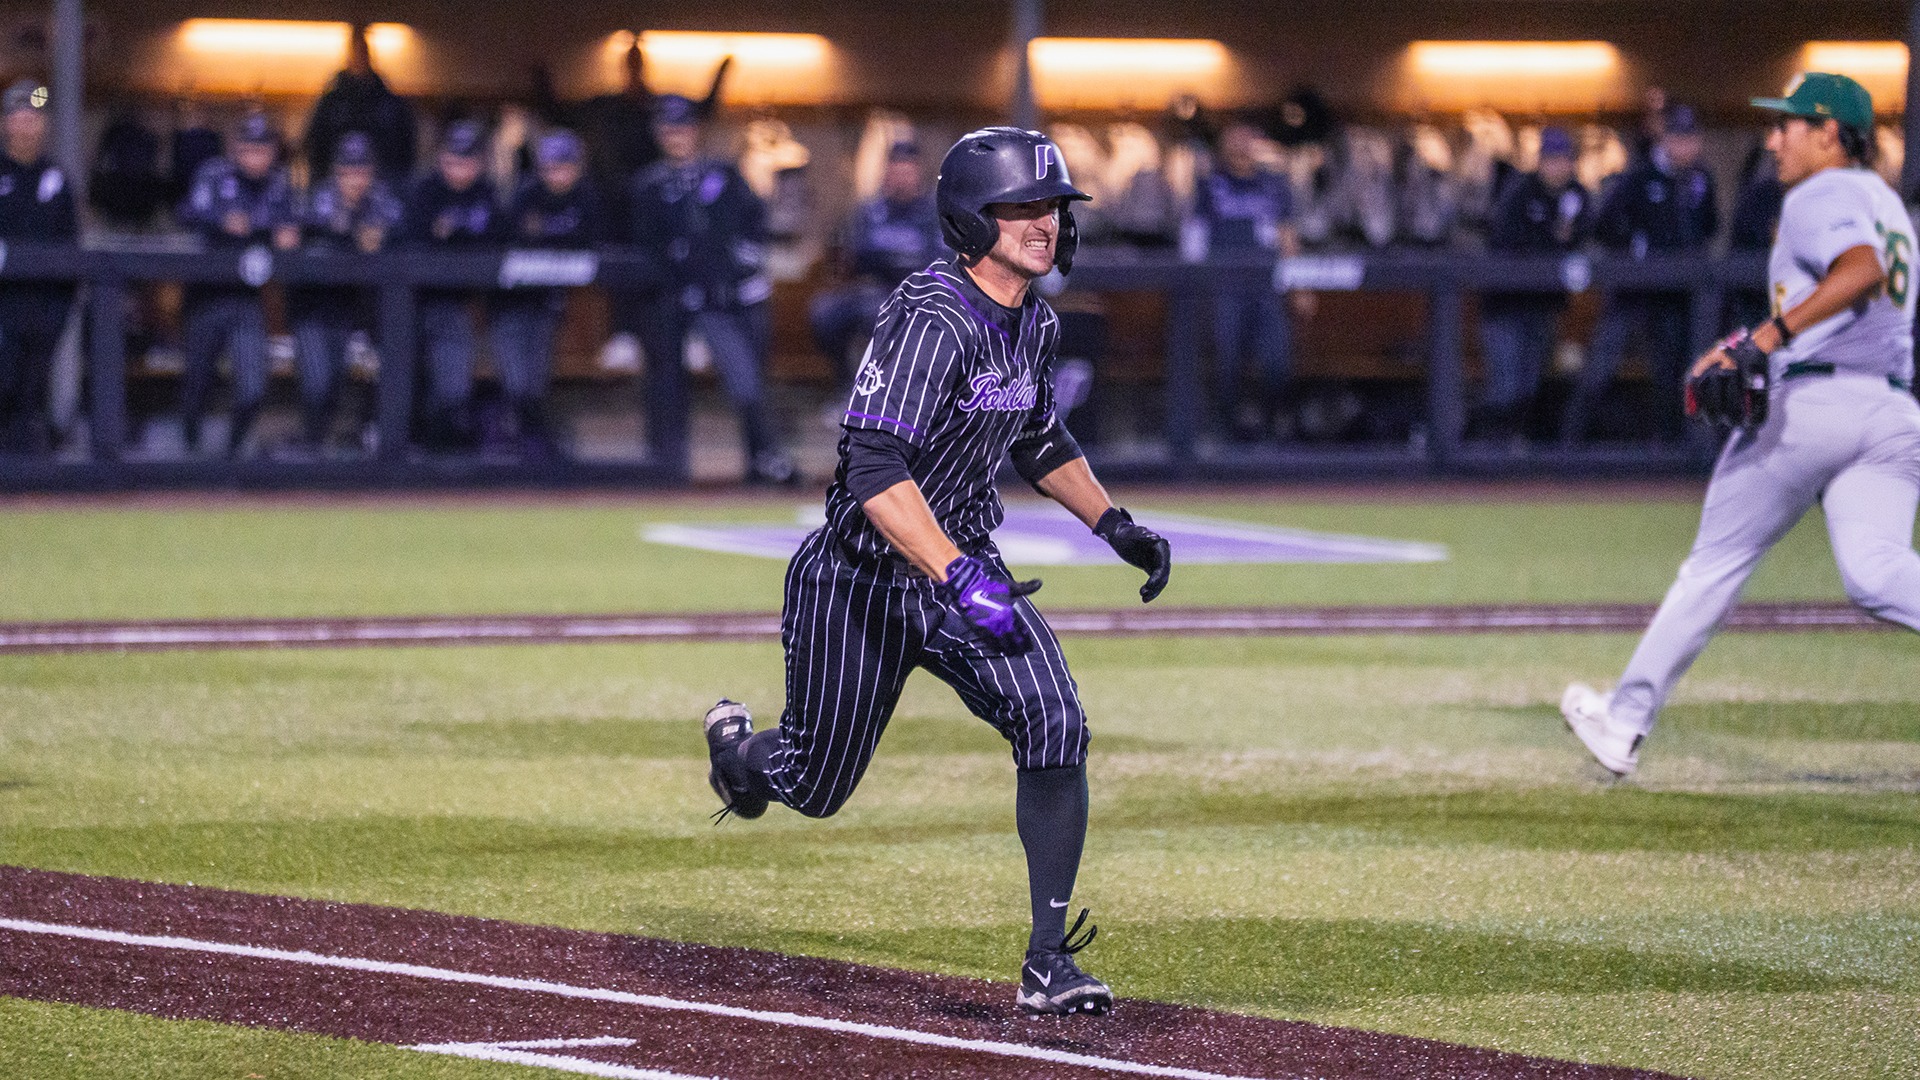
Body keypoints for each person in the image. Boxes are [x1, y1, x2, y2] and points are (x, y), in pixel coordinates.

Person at [699, 127, 1173, 1017]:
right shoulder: (931, 314)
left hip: (963, 569)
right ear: (971, 216)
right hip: (860, 580)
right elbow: (876, 473)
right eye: (1024, 207)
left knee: (1054, 720)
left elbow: (1037, 436)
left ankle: (1047, 960)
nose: (1046, 224)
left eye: (1053, 208)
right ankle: (739, 755)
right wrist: (958, 576)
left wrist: (1113, 523)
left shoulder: (1034, 320)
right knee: (813, 783)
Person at [1560, 73, 1920, 776]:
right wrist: (1758, 340)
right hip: (1894, 409)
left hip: (1818, 405)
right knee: (1877, 573)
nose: (1774, 137)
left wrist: (1765, 339)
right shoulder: (1892, 204)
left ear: (1830, 135)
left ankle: (1624, 720)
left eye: (1790, 124)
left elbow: (1860, 271)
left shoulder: (1824, 191)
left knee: (1715, 564)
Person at [629, 94, 794, 483]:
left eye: (683, 128)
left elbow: (754, 221)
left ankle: (761, 460)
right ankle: (672, 466)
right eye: (669, 130)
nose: (677, 137)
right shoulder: (650, 185)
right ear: (658, 134)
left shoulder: (723, 173)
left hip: (742, 295)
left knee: (753, 382)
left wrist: (749, 257)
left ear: (695, 130)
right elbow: (647, 247)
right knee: (721, 383)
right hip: (694, 301)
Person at [1563, 104, 1718, 444]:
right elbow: (1604, 226)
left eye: (1690, 138)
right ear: (1665, 139)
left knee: (1674, 371)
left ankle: (1671, 446)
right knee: (1601, 365)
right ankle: (1570, 446)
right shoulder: (1639, 177)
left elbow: (1710, 227)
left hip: (1676, 294)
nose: (1684, 146)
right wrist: (1636, 245)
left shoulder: (1699, 178)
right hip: (1632, 290)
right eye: (1677, 138)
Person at [175, 110, 299, 456]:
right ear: (234, 148)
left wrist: (284, 235)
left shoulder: (279, 184)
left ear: (273, 150)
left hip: (248, 301)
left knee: (253, 387)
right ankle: (191, 454)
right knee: (197, 384)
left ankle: (231, 453)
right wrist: (220, 220)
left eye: (262, 149)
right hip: (206, 296)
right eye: (248, 148)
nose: (255, 157)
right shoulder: (213, 175)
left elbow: (293, 229)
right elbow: (186, 213)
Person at [1183, 119, 1308, 442]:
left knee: (1276, 362)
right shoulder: (1210, 185)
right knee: (1227, 363)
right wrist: (1195, 282)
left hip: (1267, 287)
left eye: (1246, 139)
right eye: (1234, 139)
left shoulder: (1274, 184)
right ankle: (1227, 434)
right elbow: (1194, 236)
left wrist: (1300, 285)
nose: (1240, 146)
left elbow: (1287, 236)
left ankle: (1269, 429)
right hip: (1224, 287)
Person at [490, 129, 604, 458]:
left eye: (563, 167)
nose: (556, 174)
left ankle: (535, 450)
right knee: (516, 383)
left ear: (577, 167)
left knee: (535, 384)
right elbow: (503, 243)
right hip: (510, 304)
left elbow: (593, 243)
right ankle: (513, 447)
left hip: (546, 304)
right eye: (550, 167)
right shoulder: (525, 195)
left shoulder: (586, 197)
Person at [1474, 126, 1590, 442]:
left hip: (1543, 306)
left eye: (1563, 159)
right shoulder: (1519, 191)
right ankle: (1486, 452)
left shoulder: (1577, 195)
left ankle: (1514, 451)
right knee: (1505, 384)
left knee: (1528, 384)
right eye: (1550, 159)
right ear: (1540, 161)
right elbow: (1503, 241)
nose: (1557, 166)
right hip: (1505, 306)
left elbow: (1584, 238)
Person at [289, 131, 401, 454]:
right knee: (319, 383)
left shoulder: (384, 201)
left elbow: (403, 230)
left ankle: (354, 442)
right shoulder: (316, 200)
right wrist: (351, 237)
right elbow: (307, 231)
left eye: (362, 171)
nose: (355, 180)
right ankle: (311, 448)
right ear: (336, 171)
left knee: (357, 379)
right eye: (348, 171)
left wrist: (381, 241)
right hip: (316, 308)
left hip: (361, 311)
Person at [807, 139, 943, 387]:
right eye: (896, 170)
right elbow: (854, 255)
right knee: (824, 312)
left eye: (907, 171)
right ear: (887, 173)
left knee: (880, 314)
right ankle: (847, 385)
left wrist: (891, 261)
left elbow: (938, 261)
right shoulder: (869, 211)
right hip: (873, 289)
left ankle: (890, 392)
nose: (901, 177)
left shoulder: (934, 212)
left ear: (918, 173)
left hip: (921, 294)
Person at [400, 119, 500, 449]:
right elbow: (407, 245)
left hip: (456, 305)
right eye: (453, 161)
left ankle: (442, 461)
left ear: (480, 162)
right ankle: (407, 458)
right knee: (406, 385)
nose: (459, 170)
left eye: (467, 161)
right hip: (409, 305)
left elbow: (497, 243)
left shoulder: (487, 193)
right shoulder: (422, 190)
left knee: (453, 390)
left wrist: (452, 234)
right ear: (441, 158)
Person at [0, 79, 78, 455]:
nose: (27, 124)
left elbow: (72, 250)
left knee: (32, 390)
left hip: (42, 306)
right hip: (4, 304)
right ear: (5, 122)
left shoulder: (56, 177)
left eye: (34, 117)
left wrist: (59, 312)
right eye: (19, 116)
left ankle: (27, 476)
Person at [304, 23, 416, 185]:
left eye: (363, 51)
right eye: (354, 51)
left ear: (370, 55)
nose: (359, 57)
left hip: (384, 190)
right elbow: (316, 152)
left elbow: (405, 154)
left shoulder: (390, 104)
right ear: (347, 56)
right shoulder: (330, 104)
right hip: (335, 192)